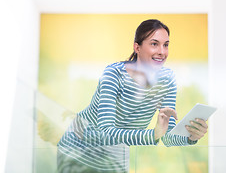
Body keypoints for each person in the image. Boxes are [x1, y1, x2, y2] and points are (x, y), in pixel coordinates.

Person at [57, 19, 208, 172]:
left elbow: (166, 137)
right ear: (137, 47)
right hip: (79, 146)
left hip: (116, 153)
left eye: (166, 45)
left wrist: (191, 136)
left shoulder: (167, 79)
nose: (162, 52)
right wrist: (152, 134)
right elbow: (105, 130)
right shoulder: (114, 74)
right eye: (154, 44)